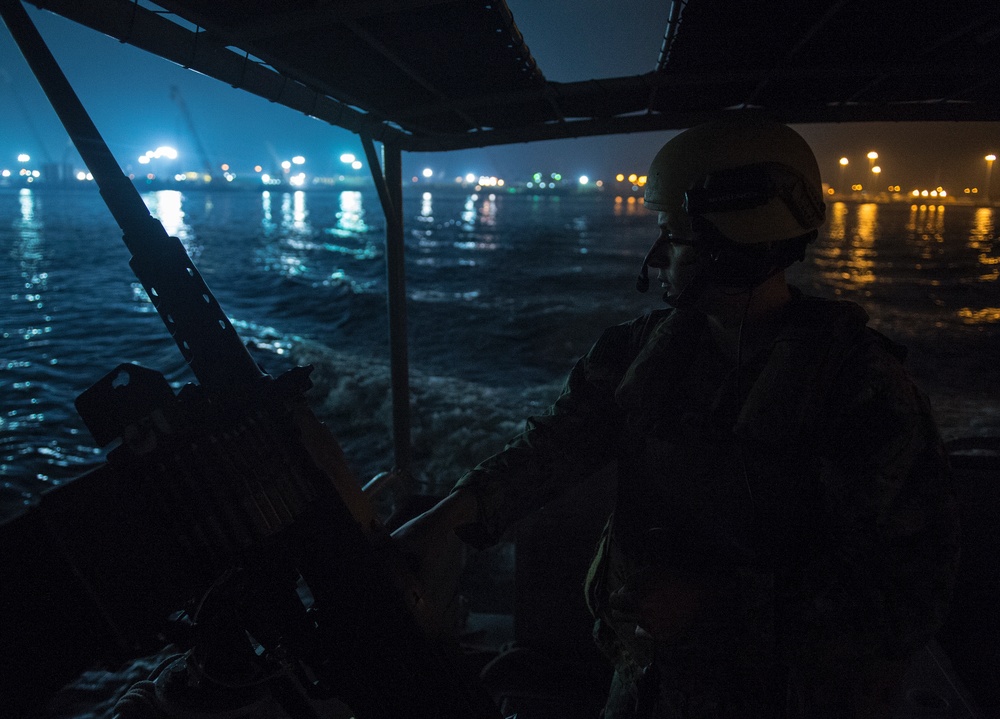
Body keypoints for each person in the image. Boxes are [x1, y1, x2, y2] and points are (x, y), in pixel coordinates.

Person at [392, 118, 960, 718]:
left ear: (736, 243)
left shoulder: (862, 390)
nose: (658, 255)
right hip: (645, 680)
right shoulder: (637, 352)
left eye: (675, 236)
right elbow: (560, 444)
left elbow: (909, 590)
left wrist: (717, 606)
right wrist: (452, 514)